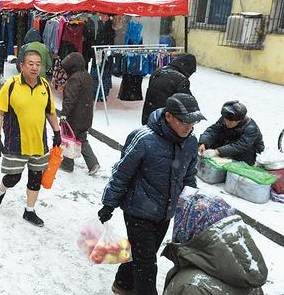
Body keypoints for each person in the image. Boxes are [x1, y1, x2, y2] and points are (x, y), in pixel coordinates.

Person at [99, 93, 205, 295]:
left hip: (165, 212)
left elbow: (189, 175)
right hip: (138, 210)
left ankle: (122, 283)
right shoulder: (143, 138)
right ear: (168, 117)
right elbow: (122, 173)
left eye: (193, 122)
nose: (189, 126)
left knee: (143, 254)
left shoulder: (190, 142)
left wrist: (192, 203)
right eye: (184, 121)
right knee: (147, 264)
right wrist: (109, 204)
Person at [0, 50, 61, 227]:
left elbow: (50, 112)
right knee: (13, 178)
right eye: (31, 63)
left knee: (35, 179)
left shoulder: (44, 85)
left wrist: (57, 132)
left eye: (38, 64)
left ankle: (29, 211)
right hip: (15, 143)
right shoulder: (11, 85)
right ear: (22, 65)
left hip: (39, 143)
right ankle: (1, 189)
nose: (35, 67)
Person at [58, 52, 100, 175]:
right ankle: (93, 164)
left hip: (74, 117)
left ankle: (67, 164)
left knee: (69, 139)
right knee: (82, 139)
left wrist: (64, 114)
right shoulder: (87, 76)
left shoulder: (74, 79)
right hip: (86, 116)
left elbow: (69, 99)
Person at [198, 100, 264, 165]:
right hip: (230, 140)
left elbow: (240, 146)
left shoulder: (251, 128)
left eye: (230, 122)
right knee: (215, 139)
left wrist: (217, 151)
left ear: (239, 120)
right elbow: (213, 130)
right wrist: (204, 143)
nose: (227, 123)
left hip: (249, 150)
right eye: (225, 120)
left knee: (245, 154)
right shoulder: (226, 118)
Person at [141, 54, 197, 125]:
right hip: (166, 119)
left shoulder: (158, 71)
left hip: (149, 115)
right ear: (188, 68)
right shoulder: (181, 79)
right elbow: (187, 101)